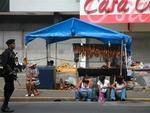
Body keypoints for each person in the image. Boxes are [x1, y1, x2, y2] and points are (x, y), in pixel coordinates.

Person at [1, 39, 17, 112]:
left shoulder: (12, 52)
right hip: (7, 73)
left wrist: (15, 71)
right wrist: (11, 71)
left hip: (11, 73)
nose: (14, 45)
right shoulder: (6, 52)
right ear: (10, 44)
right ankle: (5, 106)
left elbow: (13, 63)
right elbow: (4, 63)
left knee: (11, 88)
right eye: (13, 43)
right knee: (9, 88)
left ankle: (5, 105)